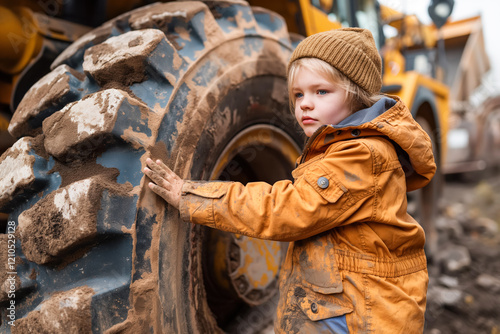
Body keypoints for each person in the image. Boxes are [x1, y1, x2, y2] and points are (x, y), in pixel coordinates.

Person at [143, 28, 436, 333]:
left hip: (359, 317)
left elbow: (287, 209)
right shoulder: (342, 148)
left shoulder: (361, 155)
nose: (304, 104)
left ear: (356, 94)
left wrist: (190, 195)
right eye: (298, 94)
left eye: (321, 91)